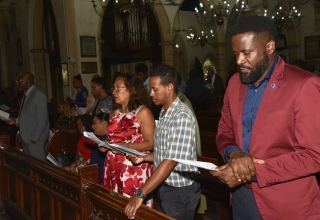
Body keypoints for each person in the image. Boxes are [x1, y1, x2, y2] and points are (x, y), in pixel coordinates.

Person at [210, 15, 320, 219]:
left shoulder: (304, 84)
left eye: (247, 53)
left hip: (286, 204)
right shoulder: (235, 83)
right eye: (235, 53)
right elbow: (224, 132)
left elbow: (313, 155)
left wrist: (251, 171)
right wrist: (234, 154)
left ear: (270, 46)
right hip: (241, 198)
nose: (239, 61)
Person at [125, 65, 200, 220]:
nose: (151, 93)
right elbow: (165, 151)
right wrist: (144, 157)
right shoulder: (164, 111)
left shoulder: (181, 115)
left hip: (180, 190)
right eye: (150, 89)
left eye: (155, 89)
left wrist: (141, 193)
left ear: (169, 87)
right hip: (165, 185)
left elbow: (171, 161)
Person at [99, 73, 155, 206]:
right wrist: (104, 143)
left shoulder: (143, 112)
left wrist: (127, 146)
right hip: (112, 164)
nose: (114, 92)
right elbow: (112, 137)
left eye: (118, 88)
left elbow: (150, 143)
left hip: (133, 165)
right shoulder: (114, 112)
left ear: (131, 90)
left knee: (132, 208)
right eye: (113, 88)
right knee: (115, 206)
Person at [7, 72, 49, 160]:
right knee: (30, 167)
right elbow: (28, 116)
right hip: (26, 137)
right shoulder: (27, 94)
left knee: (38, 166)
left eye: (20, 81)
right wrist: (16, 121)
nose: (17, 83)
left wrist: (34, 138)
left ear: (28, 82)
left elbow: (42, 121)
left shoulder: (38, 95)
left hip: (35, 139)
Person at [90, 111, 110, 184]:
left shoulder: (106, 141)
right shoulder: (101, 139)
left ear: (103, 123)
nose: (92, 126)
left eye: (94, 123)